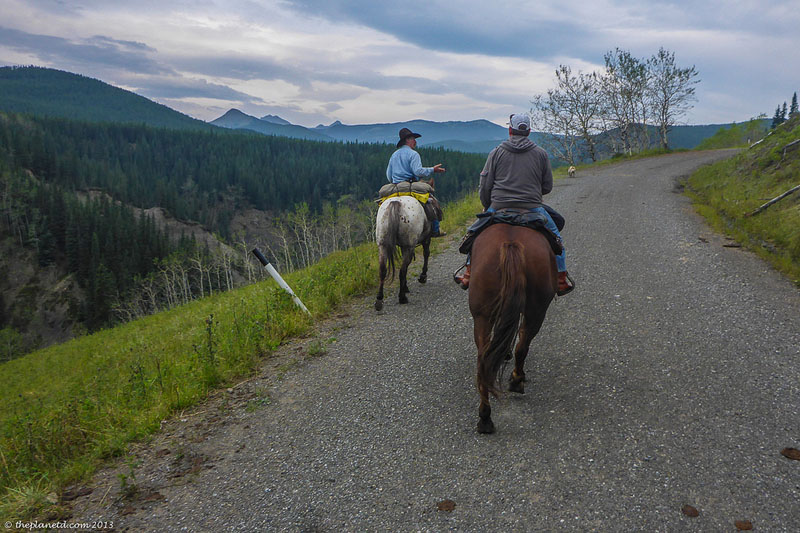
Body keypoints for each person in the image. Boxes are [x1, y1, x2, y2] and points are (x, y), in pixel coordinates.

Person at [455, 113, 574, 295]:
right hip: (532, 207)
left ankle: (469, 273)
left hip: (499, 205)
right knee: (557, 239)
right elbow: (547, 186)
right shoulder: (541, 154)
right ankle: (560, 279)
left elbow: (485, 185)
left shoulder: (496, 153)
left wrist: (488, 205)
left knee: (473, 234)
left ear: (510, 130)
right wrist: (532, 195)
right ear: (528, 131)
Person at [385, 127, 447, 237]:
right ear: (407, 140)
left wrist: (395, 181)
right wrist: (433, 169)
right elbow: (418, 172)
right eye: (413, 139)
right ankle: (435, 229)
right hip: (410, 184)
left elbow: (389, 175)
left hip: (395, 186)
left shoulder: (393, 155)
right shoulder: (413, 154)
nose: (415, 141)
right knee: (431, 200)